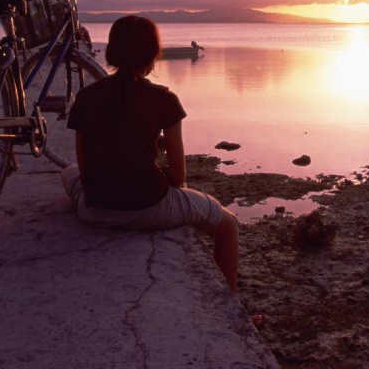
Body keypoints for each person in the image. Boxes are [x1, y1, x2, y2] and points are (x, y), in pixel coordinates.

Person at [60, 15, 240, 291]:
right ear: (153, 54)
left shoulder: (86, 96)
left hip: (93, 209)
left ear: (112, 51)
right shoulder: (164, 99)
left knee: (67, 172)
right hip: (149, 208)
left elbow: (84, 169)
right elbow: (179, 176)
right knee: (228, 224)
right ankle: (232, 299)